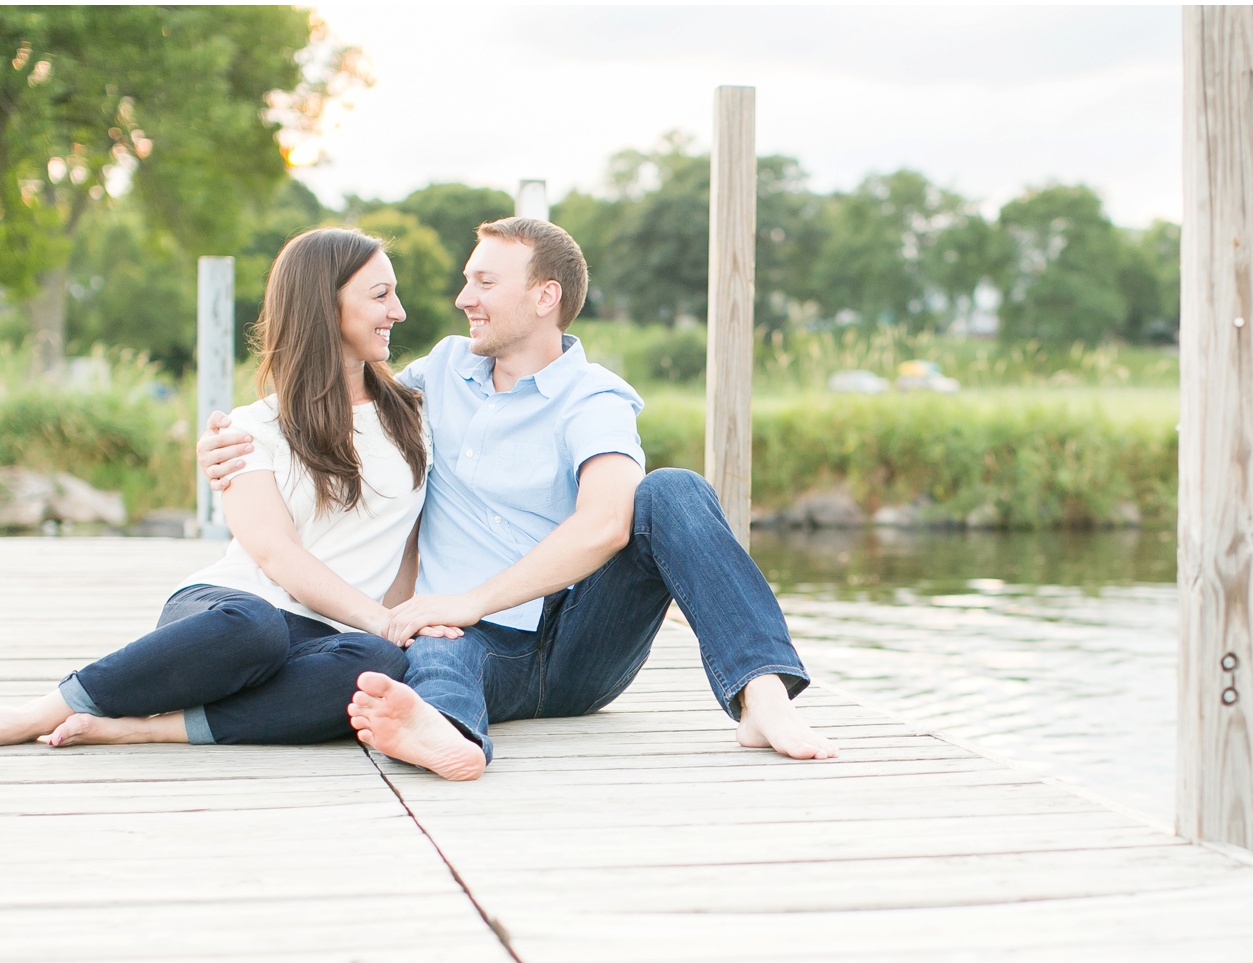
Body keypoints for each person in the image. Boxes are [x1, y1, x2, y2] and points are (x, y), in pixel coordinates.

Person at [197, 217, 837, 781]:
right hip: (465, 643)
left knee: (673, 490)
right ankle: (446, 736)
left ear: (544, 296)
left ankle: (763, 699)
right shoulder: (437, 373)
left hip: (582, 644)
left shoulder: (594, 396)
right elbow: (332, 399)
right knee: (436, 642)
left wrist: (472, 599)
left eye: (483, 283)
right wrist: (233, 441)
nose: (461, 299)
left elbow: (608, 522)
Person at [0, 228, 445, 753]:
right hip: (228, 615)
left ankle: (146, 728)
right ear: (321, 303)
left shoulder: (415, 415)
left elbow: (405, 543)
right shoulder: (252, 428)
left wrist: (395, 625)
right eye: (380, 295)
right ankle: (36, 713)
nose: (398, 311)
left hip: (330, 638)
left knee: (380, 666)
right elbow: (274, 553)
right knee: (258, 628)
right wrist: (381, 620)